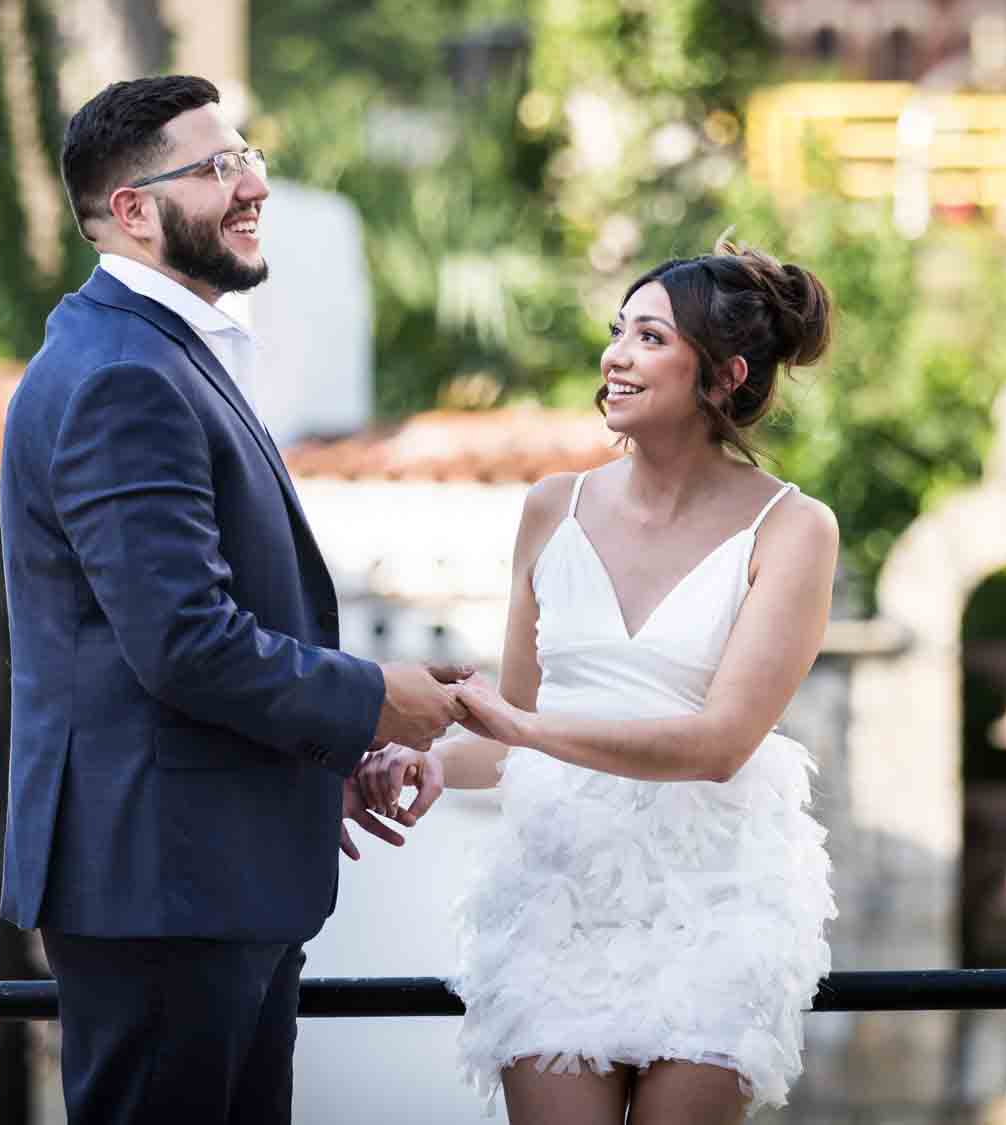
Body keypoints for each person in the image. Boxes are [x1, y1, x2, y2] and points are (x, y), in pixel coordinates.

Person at [0, 74, 468, 1125]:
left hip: (202, 874)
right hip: (163, 887)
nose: (251, 183)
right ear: (131, 210)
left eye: (245, 154)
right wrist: (371, 699)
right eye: (215, 168)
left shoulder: (161, 354)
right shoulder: (124, 373)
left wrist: (315, 764)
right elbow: (183, 643)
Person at [360, 240, 841, 1124]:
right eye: (618, 331)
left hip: (714, 898)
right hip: (555, 891)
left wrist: (523, 731)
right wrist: (430, 762)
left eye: (649, 337)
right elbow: (509, 737)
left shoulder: (795, 528)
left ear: (725, 374)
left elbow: (718, 743)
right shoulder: (551, 508)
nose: (615, 355)